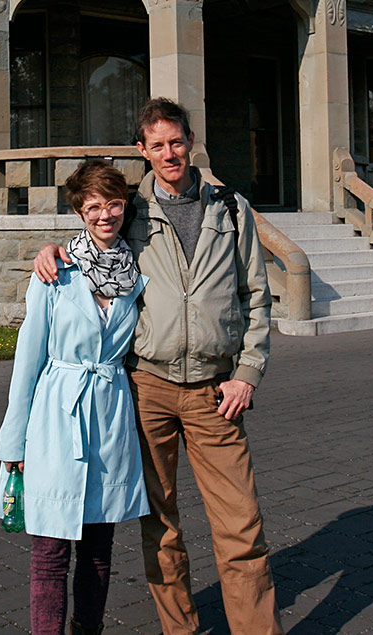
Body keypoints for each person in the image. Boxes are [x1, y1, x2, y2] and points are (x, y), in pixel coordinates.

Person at [33, 98, 282, 634]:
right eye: (157, 145)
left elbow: (257, 298)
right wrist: (49, 249)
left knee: (241, 527)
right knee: (160, 526)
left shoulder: (232, 209)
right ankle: (180, 630)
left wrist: (248, 371)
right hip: (147, 388)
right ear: (141, 151)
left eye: (177, 141)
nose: (169, 153)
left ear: (191, 141)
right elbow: (91, 240)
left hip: (218, 392)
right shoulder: (131, 210)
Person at [0, 160, 150, 635]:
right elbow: (28, 359)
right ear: (79, 211)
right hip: (56, 417)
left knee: (99, 549)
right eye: (94, 206)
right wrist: (13, 445)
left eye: (114, 204)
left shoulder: (137, 275)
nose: (106, 215)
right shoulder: (55, 272)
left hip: (109, 414)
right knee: (50, 552)